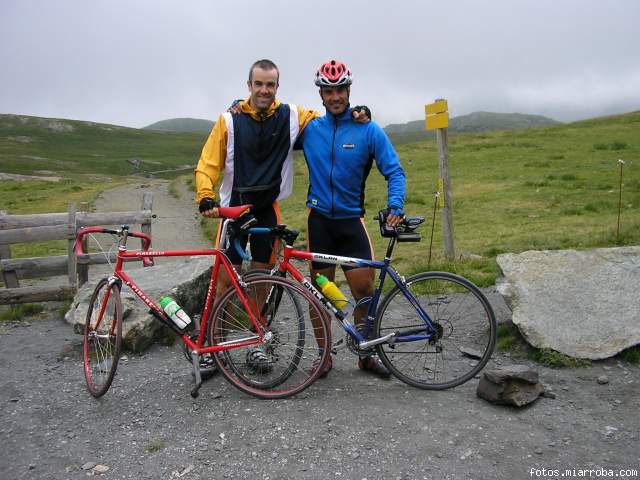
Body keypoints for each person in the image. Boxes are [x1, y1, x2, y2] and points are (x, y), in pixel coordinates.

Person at [299, 59, 406, 379]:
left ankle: (365, 352)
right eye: (328, 90)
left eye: (340, 90)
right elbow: (271, 122)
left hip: (350, 223)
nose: (335, 97)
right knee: (321, 294)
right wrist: (239, 105)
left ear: (349, 90)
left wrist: (395, 207)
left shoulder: (367, 129)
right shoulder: (309, 130)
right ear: (320, 94)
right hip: (319, 223)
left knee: (364, 293)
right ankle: (323, 356)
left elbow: (394, 171)